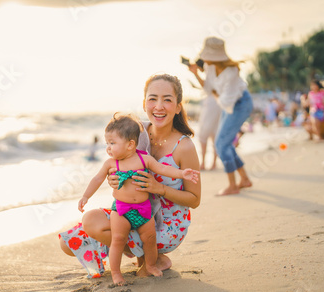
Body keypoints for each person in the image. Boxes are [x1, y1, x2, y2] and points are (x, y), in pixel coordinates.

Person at [59, 74, 201, 279]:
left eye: (167, 99)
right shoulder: (136, 132)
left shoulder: (184, 146)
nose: (159, 106)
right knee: (68, 243)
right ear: (144, 104)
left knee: (92, 222)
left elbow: (194, 200)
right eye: (153, 99)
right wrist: (113, 180)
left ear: (178, 106)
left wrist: (159, 188)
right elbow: (115, 161)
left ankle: (152, 256)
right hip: (130, 213)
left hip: (165, 226)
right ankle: (149, 257)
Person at [78, 113, 199, 285]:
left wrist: (182, 173)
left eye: (112, 143)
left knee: (149, 239)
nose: (108, 148)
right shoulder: (111, 163)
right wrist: (85, 196)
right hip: (121, 210)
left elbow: (163, 169)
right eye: (107, 143)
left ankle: (150, 265)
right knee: (118, 240)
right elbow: (97, 179)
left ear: (130, 145)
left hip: (143, 209)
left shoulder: (144, 159)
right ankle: (116, 273)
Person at [190, 36, 253, 196]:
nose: (202, 57)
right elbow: (209, 88)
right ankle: (244, 179)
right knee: (224, 144)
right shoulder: (210, 67)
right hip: (228, 104)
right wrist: (196, 73)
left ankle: (233, 185)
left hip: (240, 104)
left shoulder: (231, 71)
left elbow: (225, 100)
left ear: (213, 56)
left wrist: (215, 94)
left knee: (221, 144)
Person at [187, 60, 222, 170]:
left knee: (204, 133)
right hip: (219, 104)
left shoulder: (210, 69)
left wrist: (195, 73)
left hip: (212, 104)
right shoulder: (218, 70)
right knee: (214, 133)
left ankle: (203, 163)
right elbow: (210, 88)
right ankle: (213, 163)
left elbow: (208, 87)